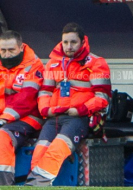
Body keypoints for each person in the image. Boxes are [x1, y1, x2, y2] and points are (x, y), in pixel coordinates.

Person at [25, 23, 111, 186]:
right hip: (54, 116)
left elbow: (103, 97)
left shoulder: (96, 63)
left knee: (58, 148)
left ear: (83, 42)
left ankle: (35, 185)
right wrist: (45, 109)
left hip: (78, 117)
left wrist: (79, 110)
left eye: (73, 42)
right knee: (39, 150)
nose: (69, 46)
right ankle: (36, 184)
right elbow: (45, 91)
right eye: (65, 42)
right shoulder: (53, 63)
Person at [0, 30, 44, 185]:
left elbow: (26, 99)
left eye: (11, 50)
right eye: (3, 50)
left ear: (20, 48)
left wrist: (4, 119)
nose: (6, 55)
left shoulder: (34, 66)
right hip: (4, 117)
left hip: (28, 118)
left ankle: (4, 185)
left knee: (2, 137)